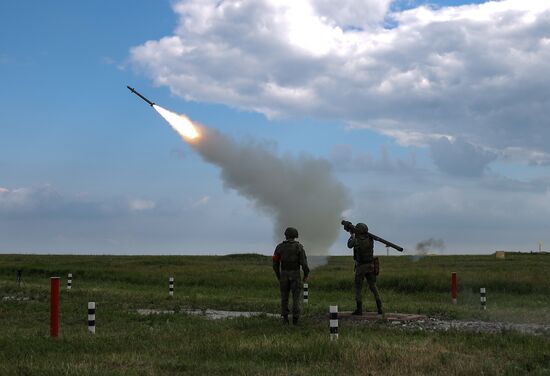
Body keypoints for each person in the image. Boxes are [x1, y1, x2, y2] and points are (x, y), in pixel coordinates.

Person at [272, 227, 310, 325]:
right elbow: (304, 264)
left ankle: (285, 319)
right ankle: (295, 320)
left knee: (284, 297)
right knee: (296, 298)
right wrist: (306, 275)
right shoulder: (299, 247)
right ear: (295, 236)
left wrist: (278, 276)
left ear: (286, 235)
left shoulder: (279, 247)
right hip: (295, 275)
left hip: (284, 274)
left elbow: (275, 264)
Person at [347, 222, 384, 315]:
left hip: (361, 267)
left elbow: (349, 245)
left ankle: (359, 310)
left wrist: (352, 235)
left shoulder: (356, 240)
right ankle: (380, 308)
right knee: (373, 287)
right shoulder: (370, 239)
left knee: (358, 288)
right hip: (371, 266)